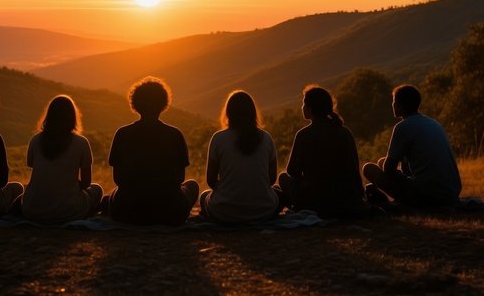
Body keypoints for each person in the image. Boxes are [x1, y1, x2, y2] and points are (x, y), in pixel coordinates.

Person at [107, 76, 199, 225]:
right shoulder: (174, 135)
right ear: (163, 103)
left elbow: (118, 179)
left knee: (110, 197)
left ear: (135, 103)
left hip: (128, 212)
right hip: (169, 211)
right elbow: (180, 179)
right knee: (192, 186)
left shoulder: (122, 134)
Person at [362, 84, 462, 207]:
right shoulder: (433, 123)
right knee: (382, 161)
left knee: (369, 168)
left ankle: (394, 201)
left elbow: (389, 168)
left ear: (401, 105)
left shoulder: (402, 127)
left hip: (429, 194)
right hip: (451, 192)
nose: (392, 105)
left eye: (394, 101)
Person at [278, 85, 365, 217]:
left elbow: (292, 171)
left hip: (316, 202)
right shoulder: (344, 133)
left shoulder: (304, 135)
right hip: (345, 200)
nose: (302, 107)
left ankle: (298, 205)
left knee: (283, 178)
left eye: (303, 103)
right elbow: (353, 169)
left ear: (310, 108)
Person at [200, 90, 281, 223]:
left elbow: (211, 181)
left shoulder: (218, 138)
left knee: (204, 196)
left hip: (224, 213)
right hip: (263, 212)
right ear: (252, 113)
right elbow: (271, 179)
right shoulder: (266, 138)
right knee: (278, 192)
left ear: (228, 113)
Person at [21, 95, 103, 224]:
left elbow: (31, 165)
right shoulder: (81, 143)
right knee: (97, 189)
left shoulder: (35, 140)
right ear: (72, 117)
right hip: (68, 212)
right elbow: (87, 183)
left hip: (32, 211)